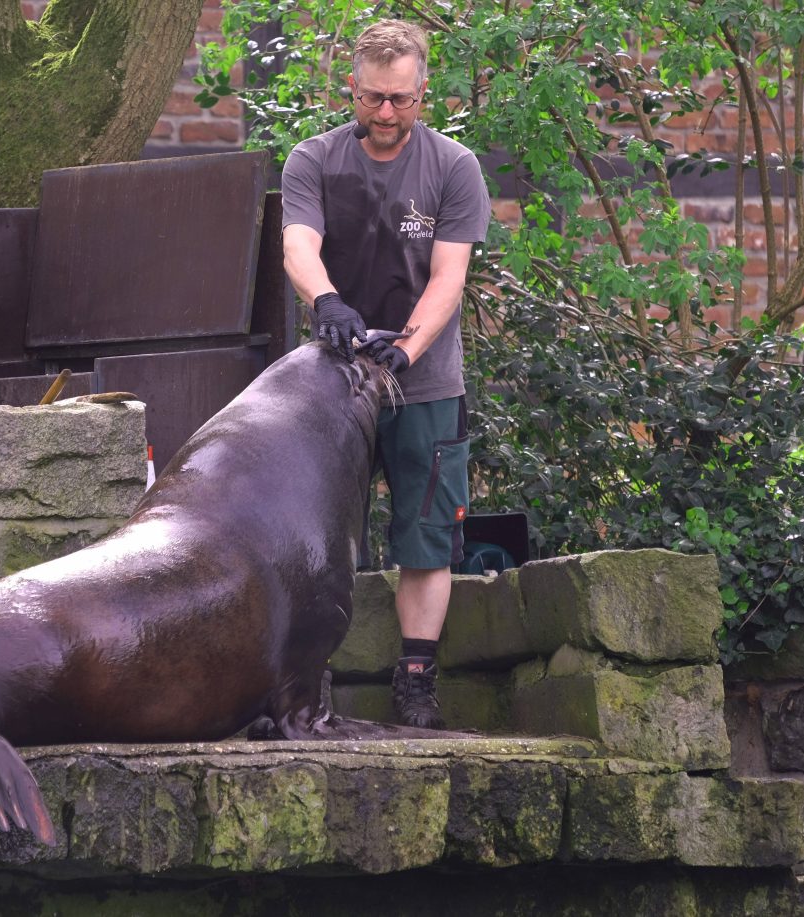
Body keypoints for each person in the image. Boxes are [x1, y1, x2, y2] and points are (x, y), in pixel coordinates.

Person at [280, 18, 491, 729]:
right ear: (353, 89)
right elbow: (298, 246)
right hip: (330, 385)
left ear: (423, 92)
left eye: (401, 99)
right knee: (312, 535)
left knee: (426, 535)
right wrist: (328, 301)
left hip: (425, 382)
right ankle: (308, 681)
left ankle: (416, 682)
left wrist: (407, 347)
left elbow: (449, 277)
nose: (387, 113)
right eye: (373, 98)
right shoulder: (314, 160)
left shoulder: (453, 167)